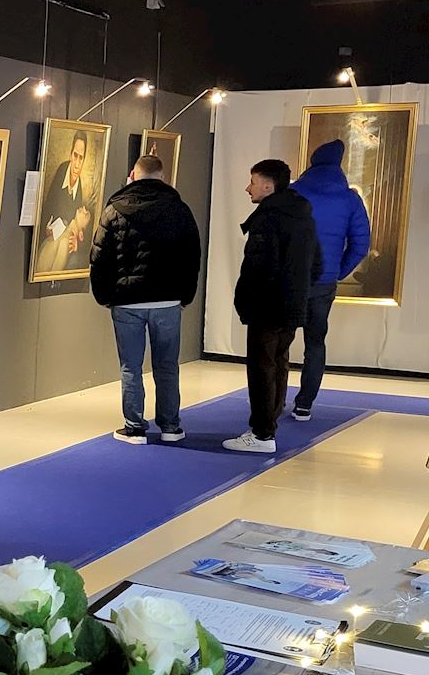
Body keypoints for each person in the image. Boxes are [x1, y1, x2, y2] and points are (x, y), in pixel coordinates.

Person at [89, 154, 201, 445]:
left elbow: (99, 258)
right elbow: (192, 257)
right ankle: (171, 426)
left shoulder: (114, 209)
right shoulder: (179, 209)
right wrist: (185, 295)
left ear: (132, 175)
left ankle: (135, 427)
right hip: (168, 300)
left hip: (127, 300)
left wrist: (104, 296)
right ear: (163, 177)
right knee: (167, 367)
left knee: (131, 367)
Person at [224, 160, 322, 454]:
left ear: (268, 186)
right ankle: (268, 425)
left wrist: (245, 300)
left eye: (252, 182)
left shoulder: (268, 218)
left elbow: (259, 267)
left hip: (267, 306)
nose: (248, 188)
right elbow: (316, 263)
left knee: (262, 367)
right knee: (278, 363)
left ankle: (262, 433)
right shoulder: (302, 215)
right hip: (292, 305)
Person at [289, 139, 371, 421]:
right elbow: (360, 245)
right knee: (315, 344)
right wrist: (337, 271)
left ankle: (270, 404)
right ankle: (304, 405)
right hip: (324, 284)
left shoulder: (294, 192)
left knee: (278, 342)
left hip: (291, 280)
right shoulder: (349, 199)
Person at [38, 130, 93, 272]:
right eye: (75, 156)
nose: (77, 164)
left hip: (63, 238)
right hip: (50, 236)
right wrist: (46, 227)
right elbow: (48, 207)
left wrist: (77, 242)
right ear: (70, 154)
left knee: (63, 244)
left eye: (81, 158)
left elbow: (82, 230)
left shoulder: (79, 189)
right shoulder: (61, 172)